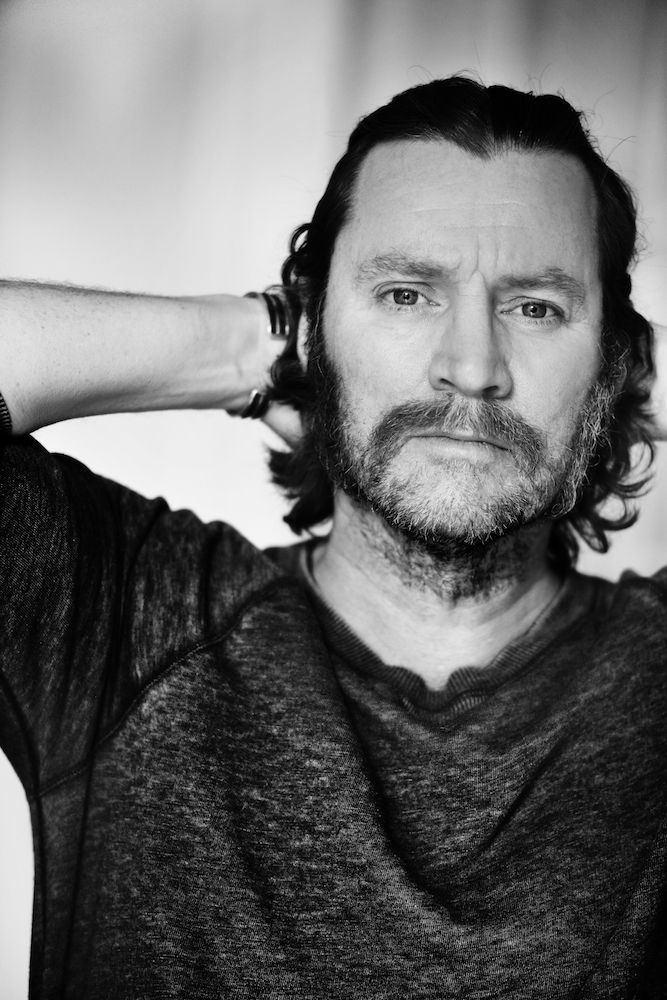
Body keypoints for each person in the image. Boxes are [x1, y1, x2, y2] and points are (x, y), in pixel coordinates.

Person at [1, 76, 666, 998]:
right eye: (405, 293)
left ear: (614, 365)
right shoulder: (125, 621)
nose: (471, 367)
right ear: (315, 329)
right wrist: (251, 345)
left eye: (535, 308)